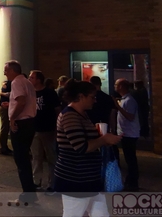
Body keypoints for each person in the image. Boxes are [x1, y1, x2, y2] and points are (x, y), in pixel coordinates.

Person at [55, 79, 121, 216]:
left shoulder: (81, 115)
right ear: (81, 97)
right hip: (75, 178)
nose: (95, 100)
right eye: (92, 97)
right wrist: (103, 139)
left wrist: (102, 140)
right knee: (73, 214)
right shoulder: (70, 116)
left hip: (88, 178)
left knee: (100, 214)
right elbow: (81, 147)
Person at [5, 60, 37, 203]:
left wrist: (12, 117)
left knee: (21, 159)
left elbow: (22, 101)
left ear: (13, 70)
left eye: (6, 70)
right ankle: (30, 192)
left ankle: (28, 195)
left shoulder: (16, 82)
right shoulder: (27, 82)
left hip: (21, 122)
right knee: (24, 158)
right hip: (29, 122)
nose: (5, 72)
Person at [28, 70, 61, 193]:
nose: (30, 80)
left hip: (48, 129)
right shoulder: (30, 93)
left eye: (32, 77)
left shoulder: (49, 93)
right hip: (34, 129)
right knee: (36, 157)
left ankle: (52, 183)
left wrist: (57, 128)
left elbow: (57, 110)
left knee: (51, 157)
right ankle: (36, 181)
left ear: (38, 80)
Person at [114, 78, 140, 191]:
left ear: (121, 87)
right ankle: (130, 180)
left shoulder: (129, 100)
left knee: (131, 159)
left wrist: (118, 106)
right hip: (125, 133)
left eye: (116, 84)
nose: (115, 86)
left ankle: (133, 182)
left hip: (130, 134)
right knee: (129, 158)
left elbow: (130, 117)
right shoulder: (124, 99)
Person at [0, 80, 12, 155]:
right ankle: (3, 147)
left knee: (5, 127)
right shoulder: (10, 83)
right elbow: (11, 94)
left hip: (3, 107)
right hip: (4, 107)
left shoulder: (6, 83)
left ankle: (4, 147)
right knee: (5, 127)